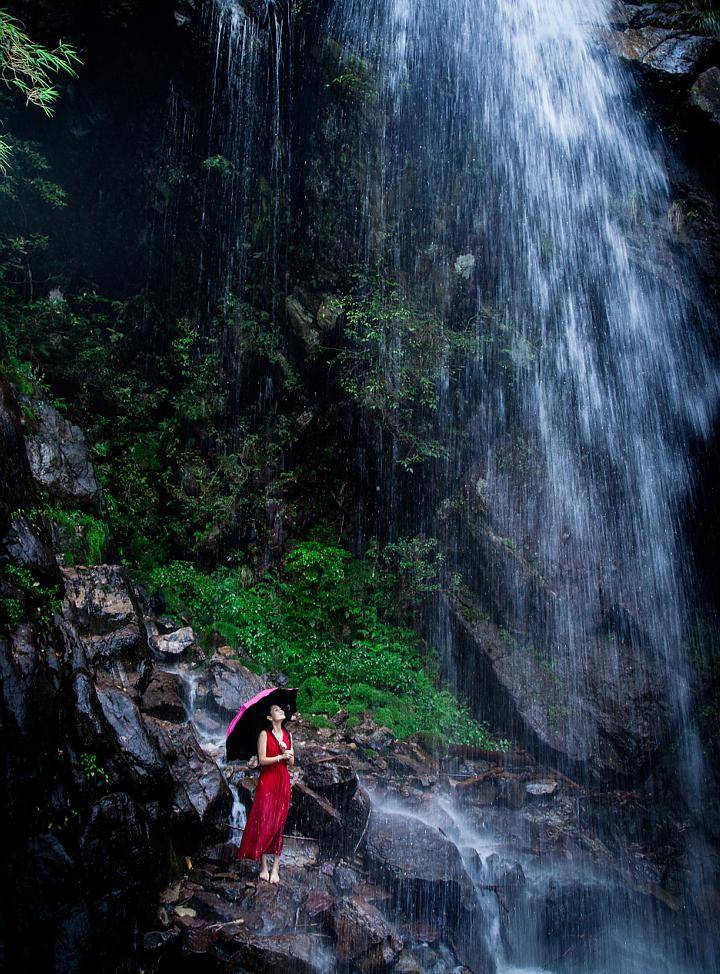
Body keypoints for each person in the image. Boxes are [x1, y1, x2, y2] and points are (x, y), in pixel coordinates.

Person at [235, 702, 294, 883]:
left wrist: (288, 753)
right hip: (267, 780)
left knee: (279, 821)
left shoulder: (288, 735)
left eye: (281, 708)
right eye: (276, 709)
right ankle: (264, 865)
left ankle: (275, 867)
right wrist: (280, 756)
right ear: (270, 718)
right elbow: (261, 760)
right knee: (264, 818)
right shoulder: (264, 734)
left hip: (283, 780)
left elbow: (291, 763)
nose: (281, 710)